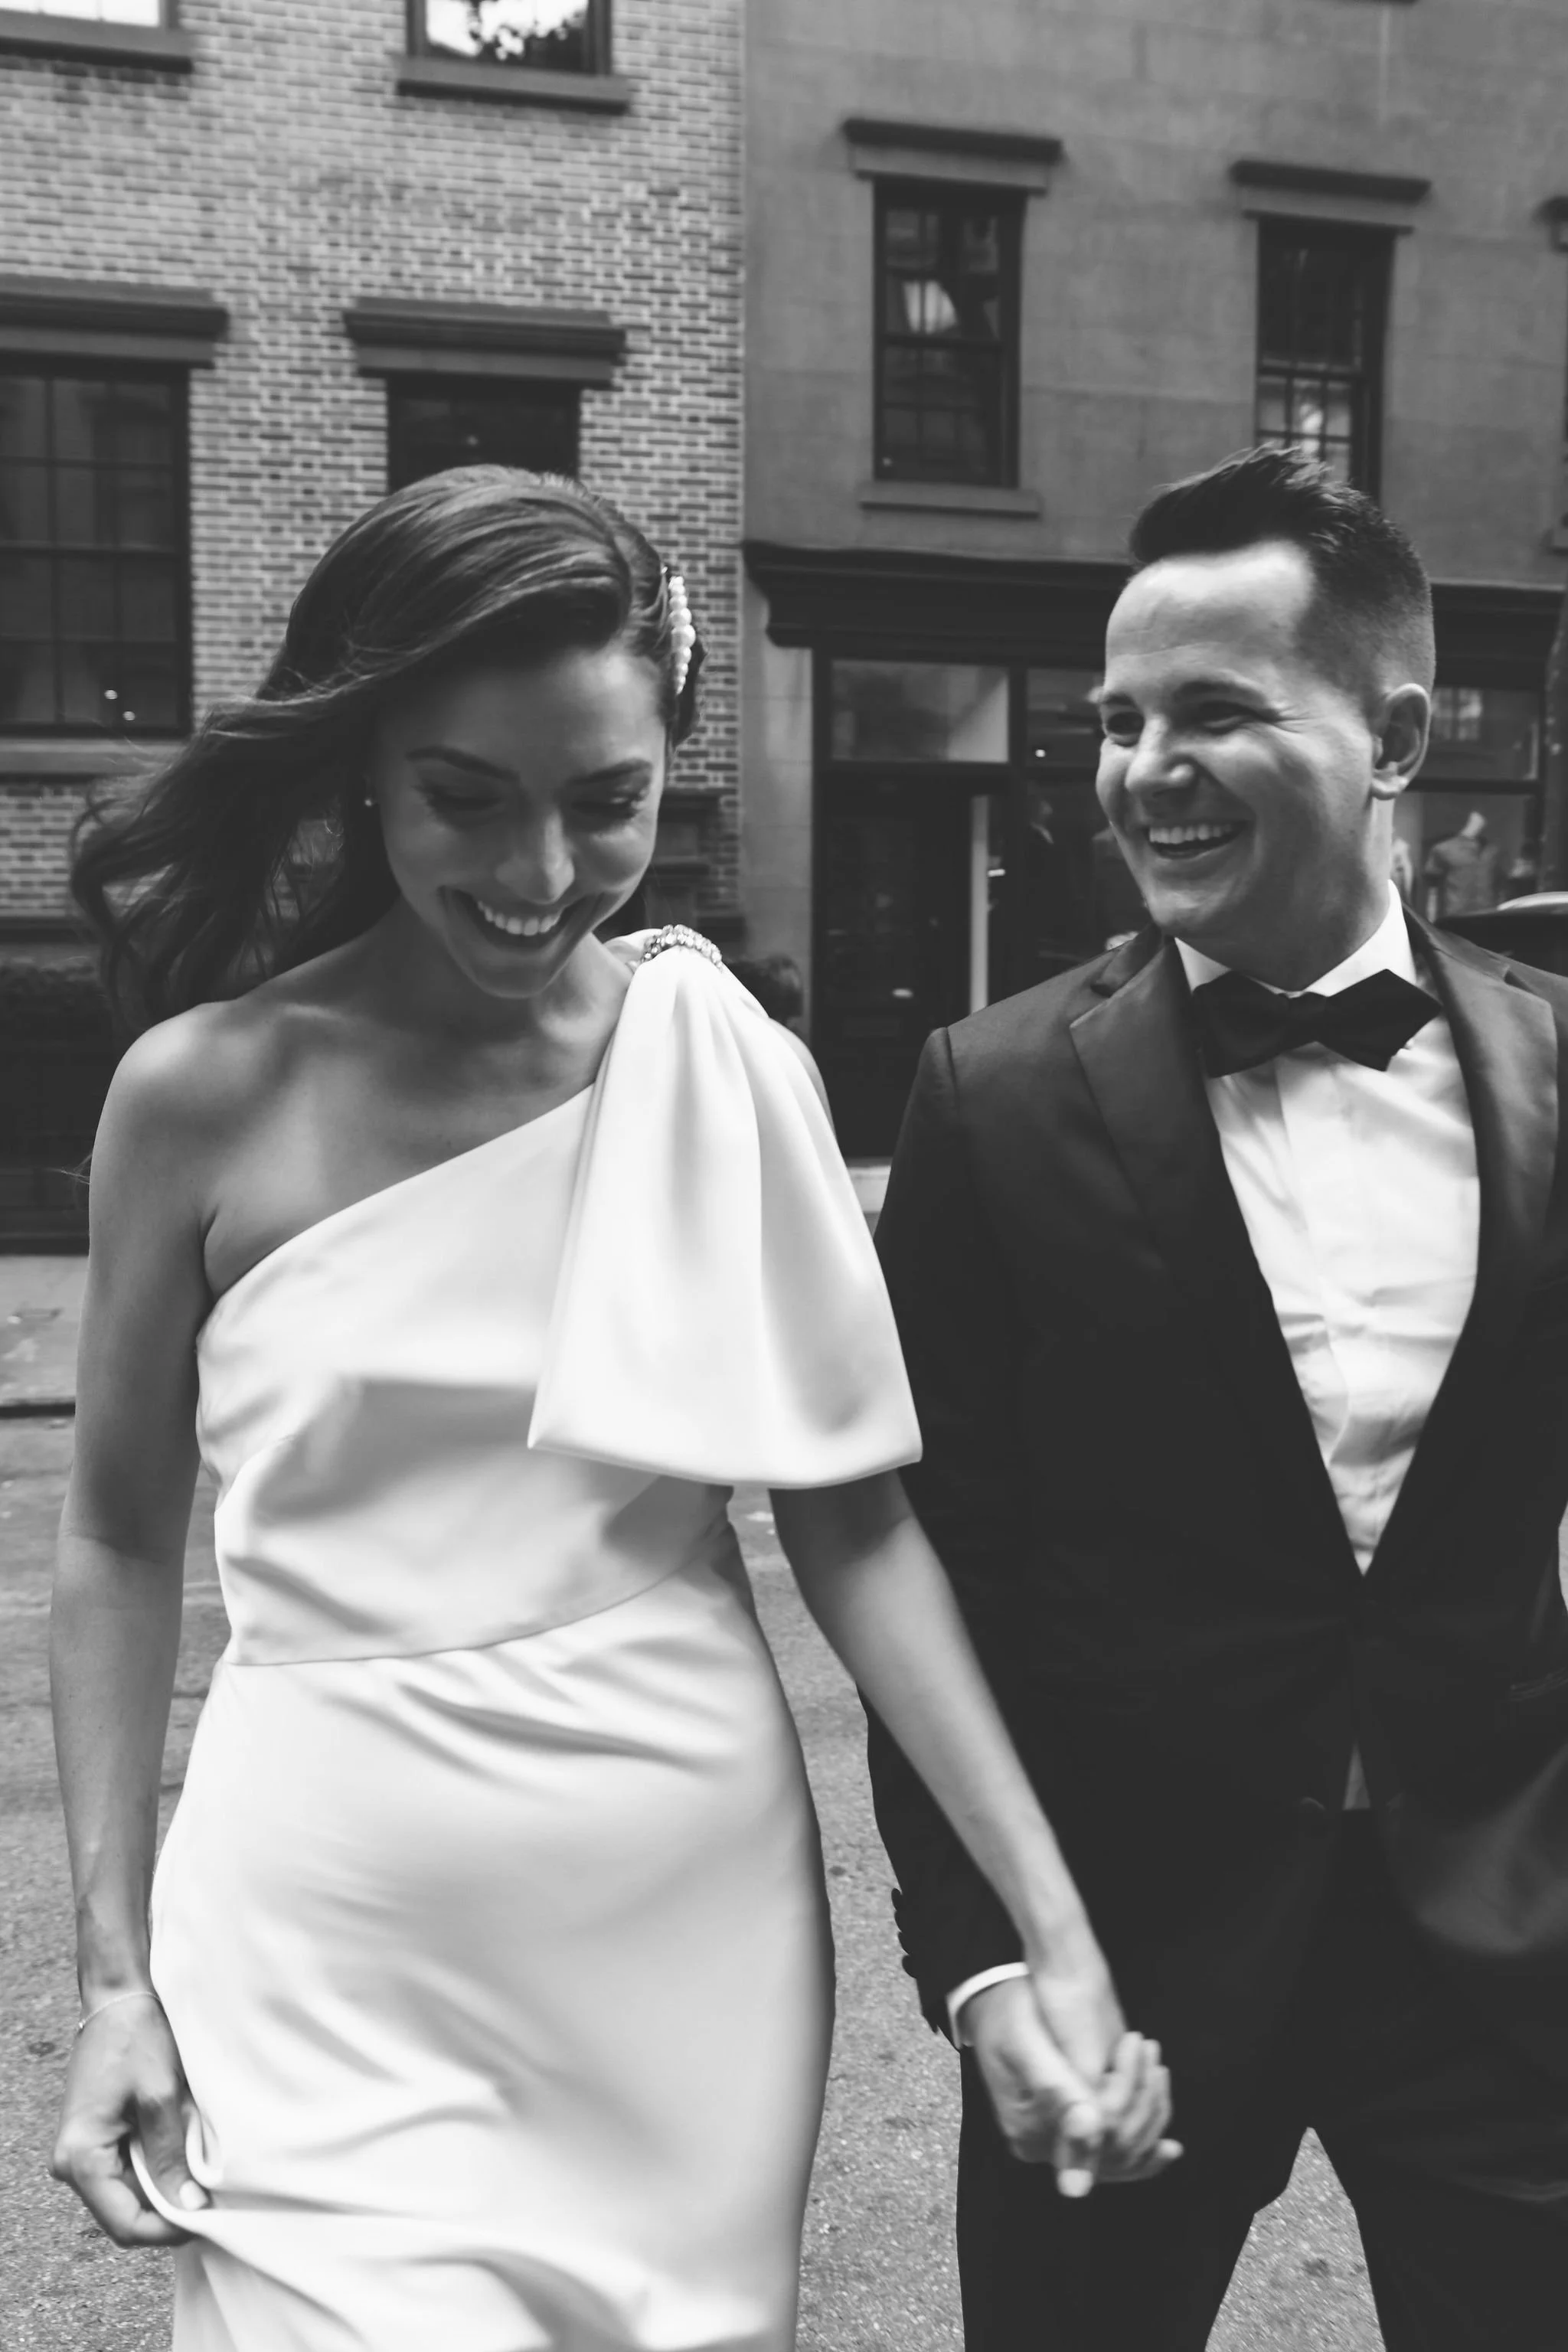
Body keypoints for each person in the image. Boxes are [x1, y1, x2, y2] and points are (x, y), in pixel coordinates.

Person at [48, 469, 1173, 2352]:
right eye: (464, 799)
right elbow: (109, 1527)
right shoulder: (199, 1094)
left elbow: (854, 1520)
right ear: (365, 764)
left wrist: (1045, 1920)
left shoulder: (719, 1058)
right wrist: (110, 1974)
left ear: (671, 762)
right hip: (316, 1916)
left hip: (675, 1913)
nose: (538, 875)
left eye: (606, 803)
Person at [867, 445, 1568, 2350]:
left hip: (1503, 1957)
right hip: (1127, 1955)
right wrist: (989, 1957)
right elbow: (928, 1564)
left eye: (1212, 712)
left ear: (1396, 731)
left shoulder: (1549, 1065)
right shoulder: (986, 1092)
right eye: (1114, 719)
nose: (1137, 769)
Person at [1424, 808, 1501, 922]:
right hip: (1456, 919)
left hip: (1488, 917)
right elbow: (1432, 890)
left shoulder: (1493, 852)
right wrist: (1430, 921)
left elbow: (1501, 889)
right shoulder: (1444, 849)